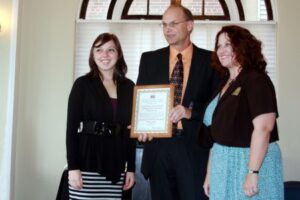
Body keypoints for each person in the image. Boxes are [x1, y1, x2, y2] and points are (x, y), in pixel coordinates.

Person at [136, 5, 219, 200]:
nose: (167, 29)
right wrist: (141, 126)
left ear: (190, 25)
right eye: (164, 25)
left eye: (173, 24)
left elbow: (217, 106)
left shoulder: (211, 61)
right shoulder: (149, 59)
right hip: (158, 148)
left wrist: (191, 112)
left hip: (193, 147)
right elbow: (141, 102)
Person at [202, 25, 284, 199]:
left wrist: (253, 172)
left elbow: (264, 128)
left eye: (228, 45)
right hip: (222, 164)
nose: (221, 51)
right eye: (218, 46)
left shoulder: (256, 79)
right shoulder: (225, 83)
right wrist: (210, 174)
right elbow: (217, 133)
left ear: (242, 47)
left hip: (248, 162)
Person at [66, 33, 135, 199]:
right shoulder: (82, 85)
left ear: (118, 54)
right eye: (99, 50)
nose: (105, 55)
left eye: (110, 50)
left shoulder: (130, 87)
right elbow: (71, 129)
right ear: (92, 55)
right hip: (86, 162)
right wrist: (73, 167)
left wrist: (131, 168)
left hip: (116, 164)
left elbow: (130, 131)